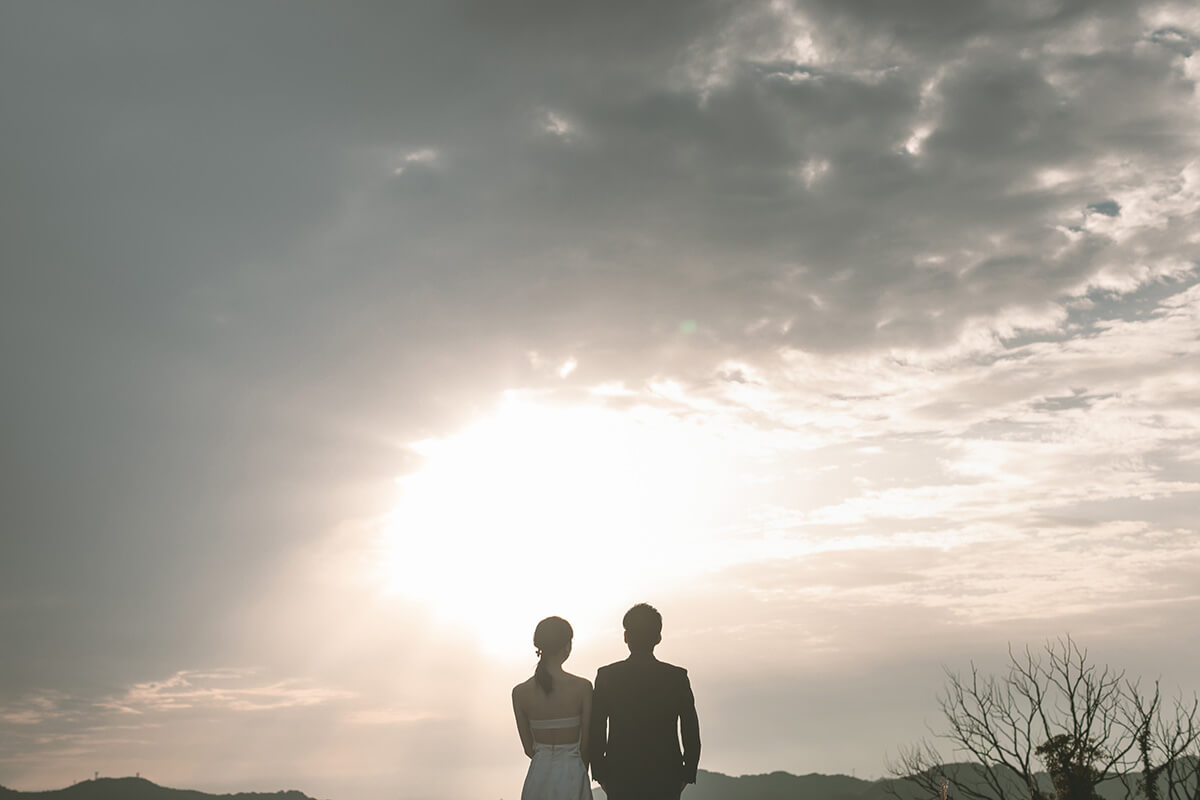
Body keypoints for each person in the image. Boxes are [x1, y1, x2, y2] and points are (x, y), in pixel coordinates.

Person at [590, 604, 701, 800]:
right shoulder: (677, 677)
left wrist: (601, 773)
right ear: (658, 638)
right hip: (666, 774)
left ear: (626, 637)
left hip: (620, 774)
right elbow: (690, 729)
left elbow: (596, 729)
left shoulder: (607, 676)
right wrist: (687, 772)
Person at [512, 616, 594, 800]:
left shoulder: (519, 692)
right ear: (566, 646)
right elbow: (586, 744)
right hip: (573, 774)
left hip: (538, 776)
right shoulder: (583, 687)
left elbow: (528, 749)